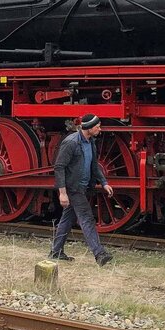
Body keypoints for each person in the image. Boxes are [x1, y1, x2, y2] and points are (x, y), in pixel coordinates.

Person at [49, 114, 114, 266]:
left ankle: (56, 251)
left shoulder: (91, 142)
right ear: (89, 128)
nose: (100, 129)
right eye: (97, 126)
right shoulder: (70, 143)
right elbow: (59, 167)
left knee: (67, 219)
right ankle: (99, 254)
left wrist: (104, 182)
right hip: (73, 187)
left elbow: (94, 165)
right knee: (87, 218)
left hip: (83, 187)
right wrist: (62, 193)